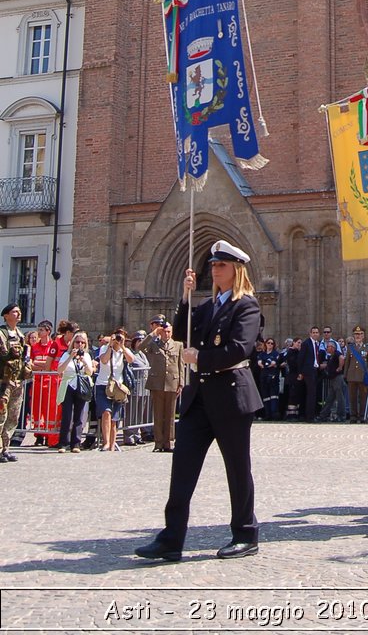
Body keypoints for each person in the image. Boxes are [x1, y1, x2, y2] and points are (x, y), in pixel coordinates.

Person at [135, 239, 262, 562]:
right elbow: (180, 333)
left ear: (235, 269)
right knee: (182, 468)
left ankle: (245, 533)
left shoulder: (245, 305)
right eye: (212, 265)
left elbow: (240, 348)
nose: (214, 269)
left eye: (220, 265)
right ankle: (171, 538)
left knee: (237, 468)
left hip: (231, 397)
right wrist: (185, 296)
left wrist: (201, 358)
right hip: (199, 398)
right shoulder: (209, 306)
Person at [139, 319, 184, 452]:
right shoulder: (154, 344)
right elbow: (140, 347)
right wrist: (153, 334)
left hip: (172, 382)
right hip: (157, 383)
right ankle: (158, 443)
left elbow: (180, 365)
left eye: (169, 332)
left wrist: (181, 383)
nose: (166, 334)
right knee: (158, 414)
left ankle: (169, 443)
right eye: (164, 332)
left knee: (170, 415)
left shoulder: (178, 345)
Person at [94, 326, 135, 452]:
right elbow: (104, 361)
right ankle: (106, 443)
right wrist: (111, 346)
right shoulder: (104, 348)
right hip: (103, 385)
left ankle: (112, 445)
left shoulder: (124, 351)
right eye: (117, 336)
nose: (118, 339)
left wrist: (122, 346)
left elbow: (131, 359)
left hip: (118, 387)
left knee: (114, 418)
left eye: (121, 337)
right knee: (106, 412)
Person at [0, 303, 32, 462]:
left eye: (19, 312)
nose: (18, 314)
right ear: (6, 315)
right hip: (3, 381)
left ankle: (5, 448)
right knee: (1, 415)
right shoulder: (1, 333)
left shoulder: (20, 334)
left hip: (17, 380)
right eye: (14, 312)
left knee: (13, 416)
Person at [55, 331, 94, 452]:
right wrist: (71, 357)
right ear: (73, 343)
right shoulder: (66, 355)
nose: (80, 344)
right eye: (77, 342)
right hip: (68, 385)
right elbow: (59, 370)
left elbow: (90, 372)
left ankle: (76, 443)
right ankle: (63, 443)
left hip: (81, 385)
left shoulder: (87, 355)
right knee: (67, 415)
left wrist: (84, 361)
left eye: (83, 342)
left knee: (79, 415)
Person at [29, 321, 59, 447]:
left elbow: (51, 365)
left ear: (48, 331)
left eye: (42, 330)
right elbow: (30, 363)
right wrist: (43, 365)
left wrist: (40, 365)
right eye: (39, 329)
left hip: (49, 382)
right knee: (37, 410)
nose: (39, 332)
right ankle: (39, 435)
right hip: (37, 382)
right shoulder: (34, 347)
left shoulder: (53, 346)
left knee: (49, 411)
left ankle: (48, 435)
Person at [342, 326, 368, 423]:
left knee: (363, 398)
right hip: (352, 376)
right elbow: (347, 362)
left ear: (363, 336)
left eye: (360, 334)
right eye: (356, 334)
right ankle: (353, 416)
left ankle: (363, 416)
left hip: (363, 376)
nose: (358, 336)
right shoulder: (351, 348)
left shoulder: (367, 348)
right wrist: (345, 375)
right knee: (352, 398)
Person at [297, 326, 326, 421]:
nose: (315, 334)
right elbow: (301, 358)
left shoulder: (317, 344)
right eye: (313, 332)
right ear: (310, 334)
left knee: (313, 394)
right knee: (311, 394)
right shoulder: (306, 344)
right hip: (308, 371)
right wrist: (300, 372)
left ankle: (311, 414)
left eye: (317, 332)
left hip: (315, 370)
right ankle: (310, 417)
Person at [318, 340, 347, 422]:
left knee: (340, 397)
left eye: (328, 347)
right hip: (332, 378)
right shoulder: (331, 356)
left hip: (337, 378)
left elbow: (342, 358)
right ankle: (323, 415)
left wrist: (340, 367)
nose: (327, 348)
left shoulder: (337, 353)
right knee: (329, 398)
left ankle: (341, 416)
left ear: (333, 347)